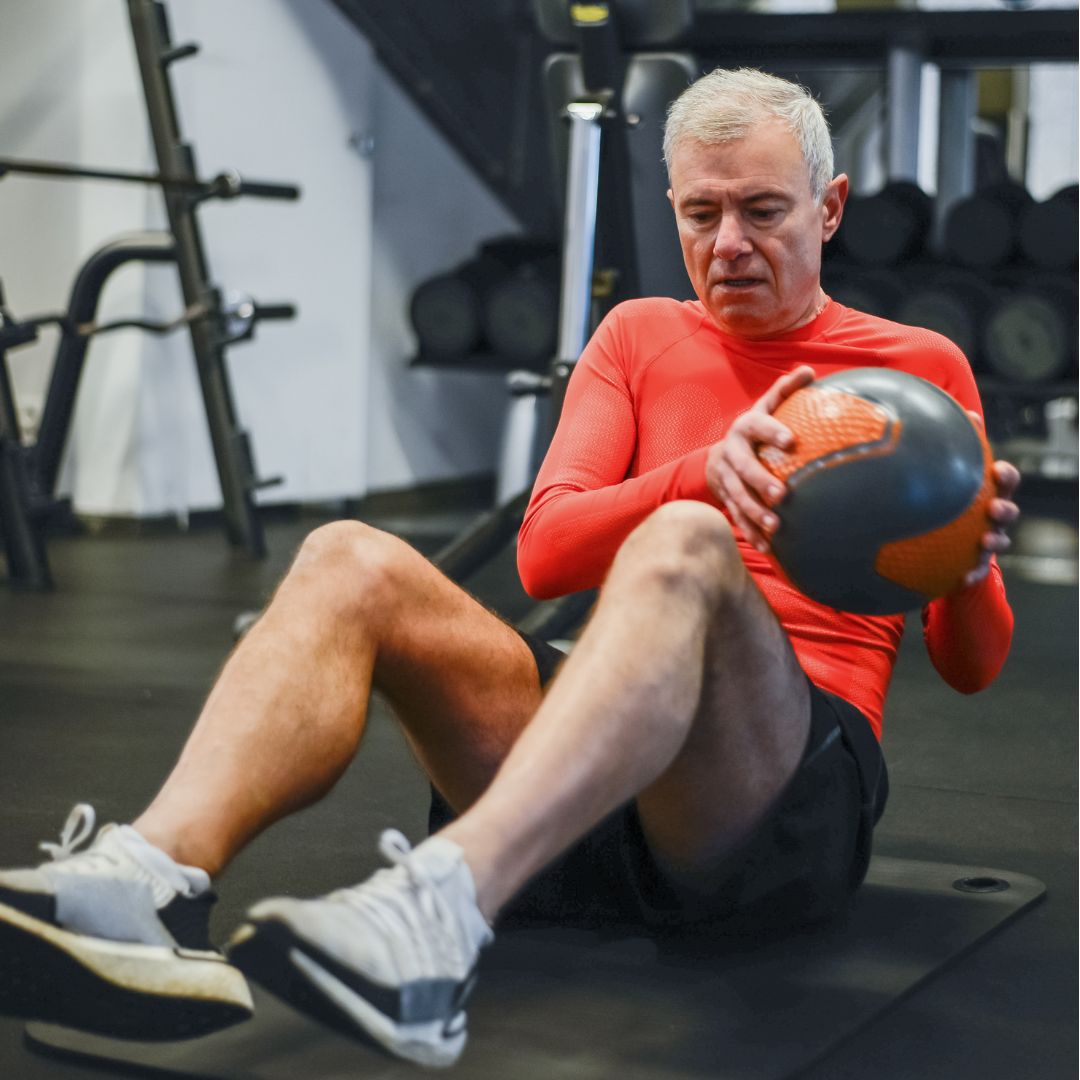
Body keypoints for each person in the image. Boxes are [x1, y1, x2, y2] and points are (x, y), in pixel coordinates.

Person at [0, 68, 1019, 1069]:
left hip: (776, 803)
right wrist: (700, 473)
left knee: (683, 546)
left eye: (762, 211)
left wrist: (968, 560)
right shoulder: (638, 335)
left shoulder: (916, 367)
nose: (729, 245)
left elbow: (972, 667)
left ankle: (439, 920)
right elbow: (544, 555)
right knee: (346, 555)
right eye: (701, 214)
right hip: (588, 774)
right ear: (671, 208)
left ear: (829, 208)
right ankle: (144, 879)